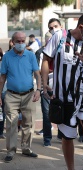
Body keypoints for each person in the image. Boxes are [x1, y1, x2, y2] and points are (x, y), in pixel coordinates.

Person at [42, 12, 83, 170]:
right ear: (81, 27)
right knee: (68, 136)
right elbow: (46, 59)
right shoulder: (60, 36)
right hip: (63, 97)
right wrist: (44, 84)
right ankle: (71, 168)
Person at [0, 31, 41, 163]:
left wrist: (39, 90)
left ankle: (26, 148)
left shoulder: (30, 55)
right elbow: (2, 77)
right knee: (11, 124)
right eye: (18, 41)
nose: (21, 43)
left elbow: (37, 74)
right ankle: (11, 151)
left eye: (23, 41)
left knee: (28, 123)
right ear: (13, 42)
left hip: (29, 95)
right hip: (11, 95)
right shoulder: (7, 57)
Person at [37, 18, 63, 146]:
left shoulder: (65, 47)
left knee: (62, 110)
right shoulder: (41, 53)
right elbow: (38, 70)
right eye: (51, 28)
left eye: (55, 26)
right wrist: (41, 85)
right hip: (46, 85)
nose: (53, 30)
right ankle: (47, 138)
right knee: (47, 113)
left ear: (61, 26)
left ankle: (61, 135)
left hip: (60, 85)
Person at [0, 47, 6, 139]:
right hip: (4, 91)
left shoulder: (3, 64)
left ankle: (0, 131)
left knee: (3, 112)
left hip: (3, 91)